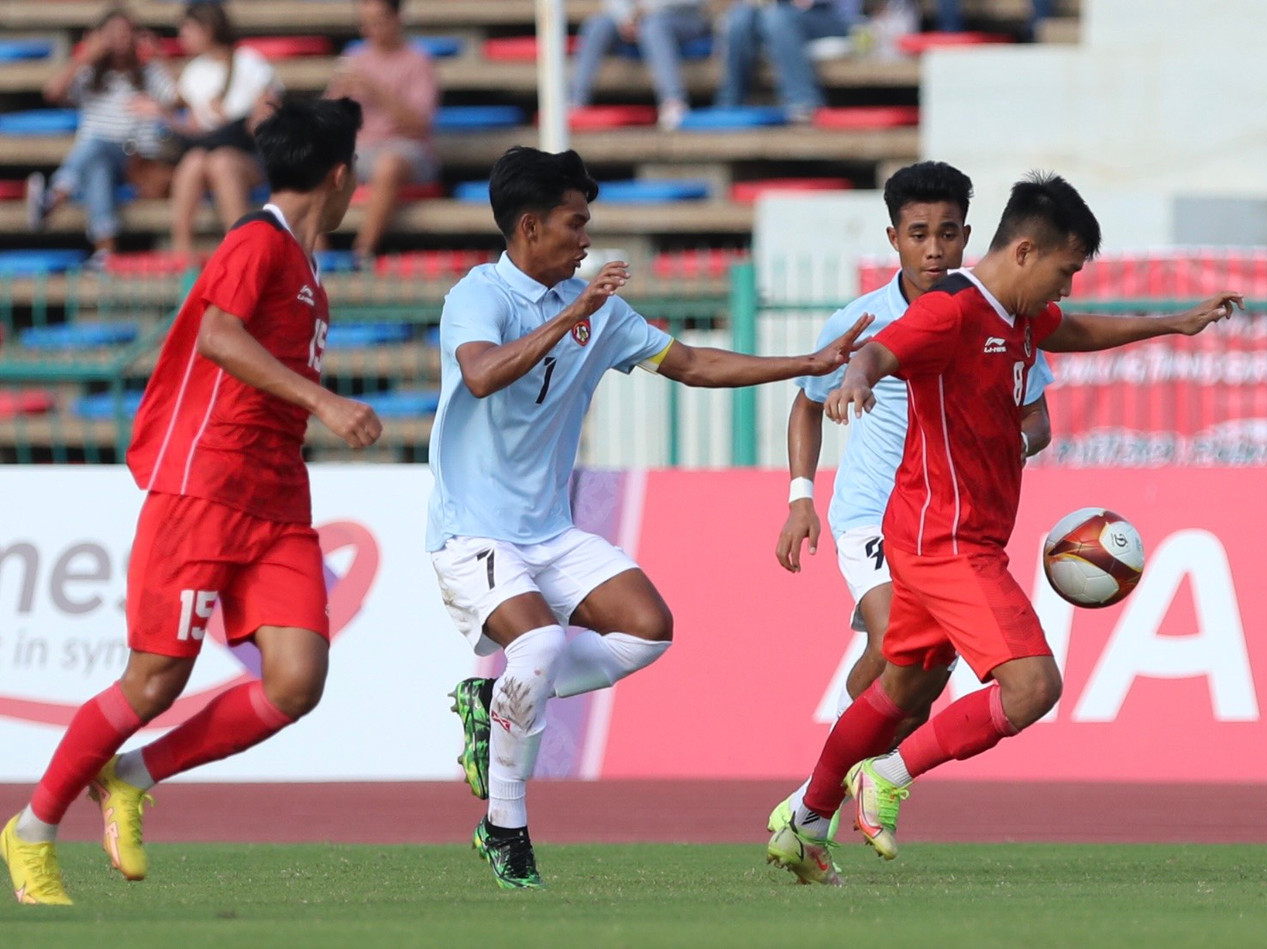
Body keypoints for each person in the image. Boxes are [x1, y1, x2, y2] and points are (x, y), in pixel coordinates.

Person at [767, 172, 1243, 885]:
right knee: (1033, 687)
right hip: (948, 540)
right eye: (1065, 270)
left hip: (943, 532)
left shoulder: (1017, 314)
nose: (1069, 287)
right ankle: (888, 777)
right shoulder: (952, 311)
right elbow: (881, 349)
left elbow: (1075, 329)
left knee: (900, 688)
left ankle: (805, 822)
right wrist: (858, 376)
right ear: (1025, 251)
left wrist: (1172, 323)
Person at [429, 145, 870, 889]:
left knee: (645, 631)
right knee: (535, 645)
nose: (586, 236)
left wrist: (806, 363)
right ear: (530, 227)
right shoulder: (481, 296)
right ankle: (505, 828)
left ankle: (492, 700)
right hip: (470, 530)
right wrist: (574, 312)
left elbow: (693, 363)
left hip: (548, 530)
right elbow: (479, 374)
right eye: (575, 223)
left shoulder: (602, 314)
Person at [0, 97, 381, 906]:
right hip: (205, 483)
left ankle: (132, 773)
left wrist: (307, 411)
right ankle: (30, 829)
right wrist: (324, 403)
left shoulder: (308, 270)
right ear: (342, 175)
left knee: (296, 679)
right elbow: (217, 334)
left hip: (275, 496)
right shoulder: (258, 242)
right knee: (153, 682)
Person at [766, 160, 1054, 845]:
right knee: (890, 633)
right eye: (919, 233)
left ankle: (824, 794)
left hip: (950, 517)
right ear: (893, 238)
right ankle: (826, 792)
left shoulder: (994, 312)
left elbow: (1036, 418)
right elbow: (807, 404)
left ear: (968, 237)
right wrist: (799, 496)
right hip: (871, 512)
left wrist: (1000, 438)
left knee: (915, 687)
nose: (935, 249)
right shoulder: (863, 319)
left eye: (949, 234)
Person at [26, 6, 178, 268]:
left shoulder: (150, 73)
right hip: (98, 158)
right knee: (97, 164)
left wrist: (161, 58)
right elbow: (52, 92)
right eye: (112, 33)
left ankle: (53, 197)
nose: (120, 39)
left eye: (126, 33)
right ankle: (105, 254)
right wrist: (85, 57)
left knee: (95, 145)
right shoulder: (91, 74)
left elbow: (181, 96)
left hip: (137, 158)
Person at [161, 1, 282, 257]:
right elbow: (192, 127)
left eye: (188, 28)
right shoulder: (193, 72)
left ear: (207, 28)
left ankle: (240, 249)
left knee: (222, 162)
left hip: (249, 156)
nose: (182, 36)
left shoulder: (249, 62)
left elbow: (266, 114)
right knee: (194, 161)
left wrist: (248, 118)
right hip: (207, 150)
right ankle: (182, 251)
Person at [325, 0, 439, 264]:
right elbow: (327, 120)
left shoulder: (418, 61)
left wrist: (376, 92)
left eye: (378, 21)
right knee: (313, 163)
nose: (371, 30)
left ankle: (361, 253)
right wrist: (337, 98)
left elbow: (420, 124)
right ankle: (317, 255)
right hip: (359, 149)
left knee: (388, 164)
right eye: (365, 23)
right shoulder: (354, 59)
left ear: (397, 18)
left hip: (407, 149)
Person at [569, 0, 712, 130]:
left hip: (682, 18)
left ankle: (674, 103)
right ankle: (577, 103)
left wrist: (647, 8)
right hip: (635, 19)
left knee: (653, 27)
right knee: (598, 25)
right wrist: (625, 17)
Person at [715, 0, 861, 122]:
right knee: (740, 18)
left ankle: (804, 103)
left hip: (827, 17)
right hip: (774, 15)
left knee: (777, 19)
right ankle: (730, 104)